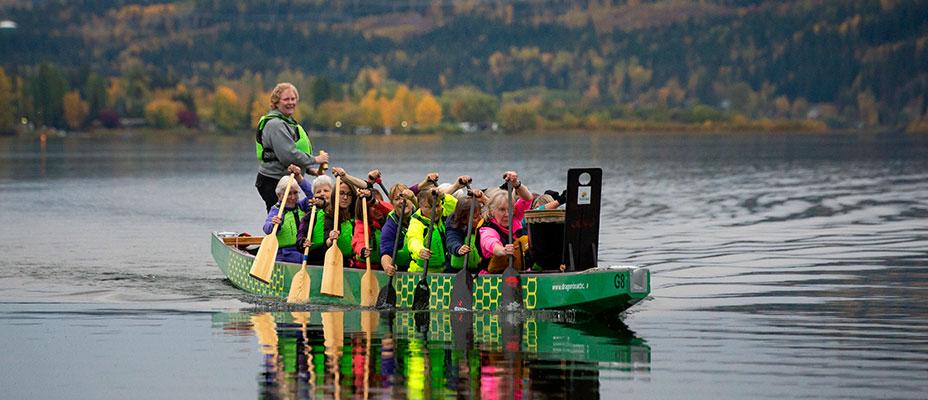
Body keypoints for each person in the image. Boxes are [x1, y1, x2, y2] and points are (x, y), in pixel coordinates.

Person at [255, 82, 329, 211]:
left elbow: (284, 154)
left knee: (290, 216)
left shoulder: (287, 122)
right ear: (276, 102)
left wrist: (308, 169)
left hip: (282, 179)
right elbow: (288, 156)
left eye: (293, 99)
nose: (291, 102)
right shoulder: (276, 124)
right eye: (286, 99)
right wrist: (315, 159)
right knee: (279, 218)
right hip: (273, 181)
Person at [406, 176, 471, 273]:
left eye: (437, 206)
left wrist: (443, 196)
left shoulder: (443, 213)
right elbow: (413, 240)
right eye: (429, 207)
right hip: (421, 271)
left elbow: (458, 209)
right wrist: (420, 250)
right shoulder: (416, 223)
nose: (435, 211)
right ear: (421, 207)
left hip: (444, 270)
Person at [477, 171, 534, 273]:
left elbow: (528, 199)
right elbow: (491, 243)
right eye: (502, 210)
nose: (507, 214)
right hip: (494, 276)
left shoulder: (515, 216)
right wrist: (503, 250)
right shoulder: (487, 229)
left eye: (510, 209)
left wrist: (516, 184)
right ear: (492, 211)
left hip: (521, 273)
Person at [261, 166, 314, 263]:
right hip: (283, 255)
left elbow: (313, 196)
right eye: (289, 194)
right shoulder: (276, 210)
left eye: (295, 193)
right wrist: (273, 224)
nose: (293, 197)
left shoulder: (302, 206)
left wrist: (299, 178)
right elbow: (266, 229)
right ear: (279, 195)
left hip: (302, 250)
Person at [445, 188, 487, 273]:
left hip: (480, 266)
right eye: (475, 217)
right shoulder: (454, 225)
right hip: (458, 269)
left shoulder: (483, 221)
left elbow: (494, 210)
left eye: (480, 214)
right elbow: (452, 239)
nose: (480, 218)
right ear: (463, 219)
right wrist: (458, 248)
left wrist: (484, 199)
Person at [379, 184, 417, 276]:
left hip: (423, 266)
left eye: (405, 197)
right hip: (403, 270)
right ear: (392, 204)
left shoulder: (421, 213)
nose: (402, 201)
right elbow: (386, 253)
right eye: (397, 199)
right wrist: (387, 266)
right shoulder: (390, 226)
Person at [350, 188, 392, 269]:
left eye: (378, 204)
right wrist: (362, 250)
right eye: (372, 206)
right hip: (363, 268)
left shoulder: (388, 221)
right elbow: (359, 240)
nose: (377, 209)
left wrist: (375, 202)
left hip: (382, 267)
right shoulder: (361, 224)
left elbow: (392, 209)